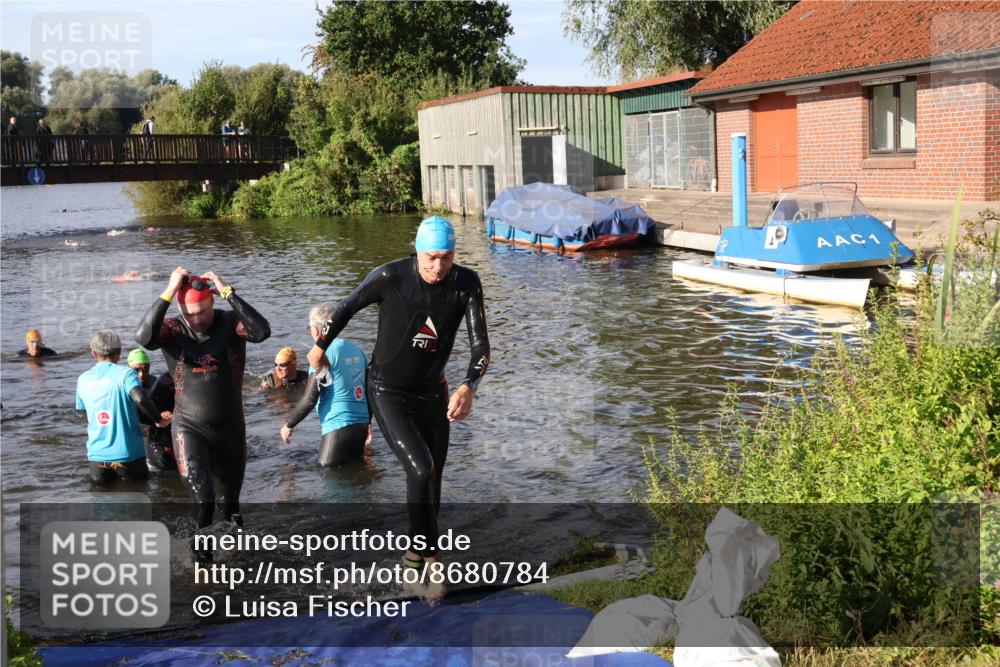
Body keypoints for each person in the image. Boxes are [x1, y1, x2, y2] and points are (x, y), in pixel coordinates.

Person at [306, 216, 490, 599]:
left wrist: (468, 386)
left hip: (433, 394)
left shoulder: (466, 283)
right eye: (431, 257)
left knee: (432, 484)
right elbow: (345, 307)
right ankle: (432, 564)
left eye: (447, 257)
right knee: (420, 468)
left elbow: (481, 347)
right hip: (387, 391)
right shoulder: (390, 277)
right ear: (417, 252)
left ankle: (413, 558)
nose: (438, 266)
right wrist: (320, 346)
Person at [135, 268, 270, 544]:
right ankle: (201, 560)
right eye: (190, 314)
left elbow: (261, 332)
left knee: (229, 505)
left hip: (230, 428)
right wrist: (169, 290)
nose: (197, 319)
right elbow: (144, 337)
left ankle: (236, 557)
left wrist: (227, 291)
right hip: (189, 428)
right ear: (180, 309)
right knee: (203, 499)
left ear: (212, 301)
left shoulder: (229, 321)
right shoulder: (172, 329)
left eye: (202, 311)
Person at [76, 330, 171, 485]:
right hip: (128, 455)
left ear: (93, 353)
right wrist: (159, 420)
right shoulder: (126, 374)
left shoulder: (83, 379)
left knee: (102, 498)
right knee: (139, 495)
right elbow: (140, 398)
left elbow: (82, 412)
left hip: (97, 457)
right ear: (119, 352)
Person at [281, 305, 371, 466]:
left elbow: (310, 399)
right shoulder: (358, 351)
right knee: (355, 475)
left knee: (328, 474)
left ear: (316, 330)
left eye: (309, 328)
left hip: (337, 427)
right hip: (361, 427)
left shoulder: (321, 354)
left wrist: (289, 425)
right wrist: (368, 423)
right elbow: (368, 393)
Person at [127, 348, 177, 471]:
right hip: (143, 428)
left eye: (145, 369)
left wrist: (167, 413)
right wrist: (157, 416)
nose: (141, 374)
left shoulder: (157, 383)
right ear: (128, 368)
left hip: (159, 427)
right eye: (136, 370)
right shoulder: (125, 387)